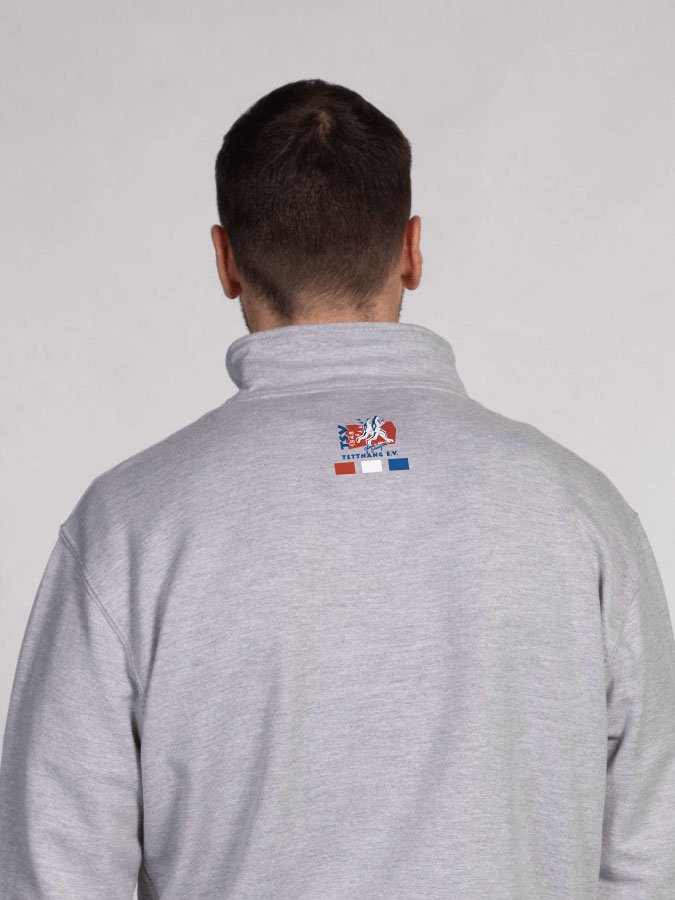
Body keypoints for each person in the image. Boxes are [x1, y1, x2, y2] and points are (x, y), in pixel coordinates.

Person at [0, 78, 674, 900]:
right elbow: (649, 857)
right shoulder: (580, 511)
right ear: (412, 250)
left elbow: (57, 873)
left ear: (225, 260)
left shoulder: (128, 526)